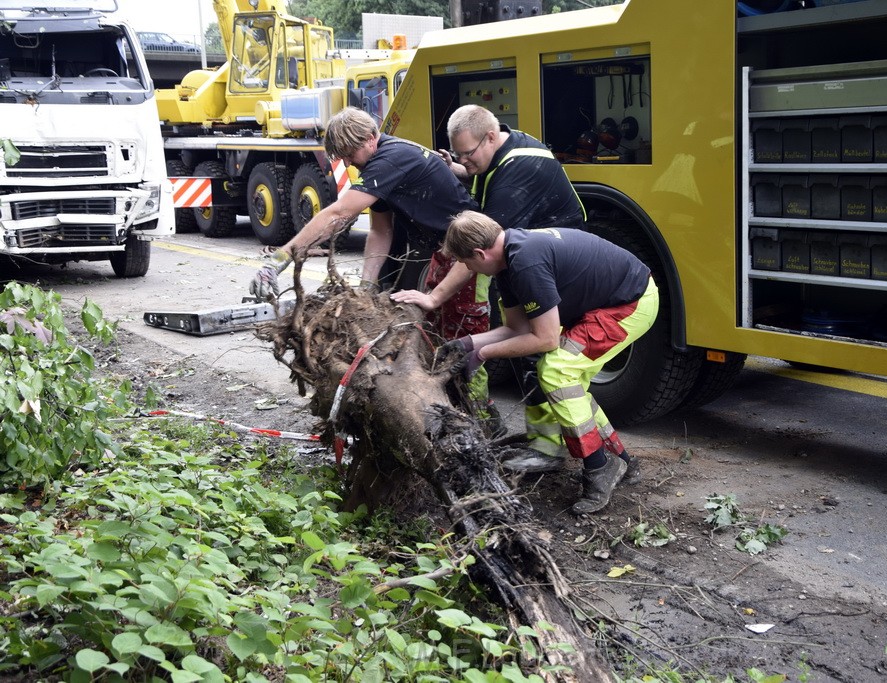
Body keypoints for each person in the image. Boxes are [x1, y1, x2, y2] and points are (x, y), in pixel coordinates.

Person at [248, 107, 491, 406]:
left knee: (464, 334)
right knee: (436, 336)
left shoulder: (392, 158)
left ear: (371, 138)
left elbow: (340, 213)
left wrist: (280, 259)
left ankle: (481, 414)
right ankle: (448, 406)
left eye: (351, 153)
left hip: (471, 254)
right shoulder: (379, 164)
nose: (349, 162)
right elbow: (380, 232)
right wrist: (366, 287)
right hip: (442, 253)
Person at [391, 105, 586, 463]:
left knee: (538, 354)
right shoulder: (502, 152)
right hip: (529, 261)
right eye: (459, 154)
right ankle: (543, 441)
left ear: (490, 137)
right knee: (523, 343)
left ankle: (548, 450)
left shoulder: (519, 172)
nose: (465, 162)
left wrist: (434, 298)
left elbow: (476, 256)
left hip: (545, 269)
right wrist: (457, 167)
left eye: (468, 154)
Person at [438, 210, 658, 515]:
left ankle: (599, 468)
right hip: (609, 303)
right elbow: (518, 329)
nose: (467, 268)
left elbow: (545, 339)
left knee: (555, 371)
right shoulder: (508, 263)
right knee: (569, 383)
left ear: (479, 253)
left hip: (630, 303)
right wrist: (467, 345)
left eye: (466, 262)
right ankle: (619, 459)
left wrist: (483, 354)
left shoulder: (526, 261)